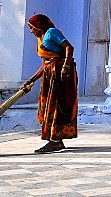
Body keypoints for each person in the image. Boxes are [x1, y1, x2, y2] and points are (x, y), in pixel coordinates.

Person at [20, 14, 78, 154]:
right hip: (49, 76)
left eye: (32, 28)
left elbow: (69, 47)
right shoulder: (41, 39)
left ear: (40, 26)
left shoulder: (52, 32)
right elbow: (46, 64)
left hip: (59, 75)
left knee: (57, 106)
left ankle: (55, 141)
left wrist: (66, 66)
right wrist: (31, 80)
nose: (31, 31)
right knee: (47, 106)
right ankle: (56, 139)